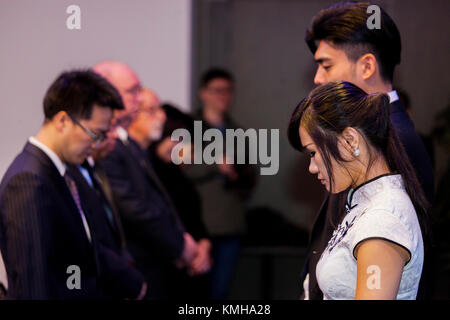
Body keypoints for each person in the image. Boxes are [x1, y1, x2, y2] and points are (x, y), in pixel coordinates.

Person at [299, 1, 435, 300]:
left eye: (326, 65)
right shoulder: (376, 135)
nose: (318, 79)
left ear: (367, 66)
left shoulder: (391, 139)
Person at [288, 80, 429, 299]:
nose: (312, 167)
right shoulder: (366, 204)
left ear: (350, 140)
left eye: (313, 153)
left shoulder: (383, 218)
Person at [0, 70, 124, 299]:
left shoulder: (61, 172)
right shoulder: (29, 180)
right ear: (63, 121)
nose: (98, 145)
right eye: (96, 134)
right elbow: (33, 285)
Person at [98, 87, 198, 299]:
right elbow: (136, 211)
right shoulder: (116, 151)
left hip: (159, 259)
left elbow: (166, 206)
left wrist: (185, 241)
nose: (161, 116)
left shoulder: (137, 151)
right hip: (141, 261)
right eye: (152, 110)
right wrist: (180, 246)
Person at [189, 68, 257, 299]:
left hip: (230, 224)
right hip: (197, 224)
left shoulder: (239, 132)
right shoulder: (188, 129)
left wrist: (238, 174)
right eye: (217, 90)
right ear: (203, 93)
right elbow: (177, 171)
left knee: (220, 292)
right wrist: (214, 164)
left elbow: (251, 179)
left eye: (227, 91)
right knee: (195, 292)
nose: (223, 96)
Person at [149, 103, 212, 299]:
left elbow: (196, 223)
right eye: (171, 139)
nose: (177, 146)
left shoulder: (183, 181)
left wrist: (204, 247)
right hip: (164, 267)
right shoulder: (149, 176)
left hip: (191, 269)